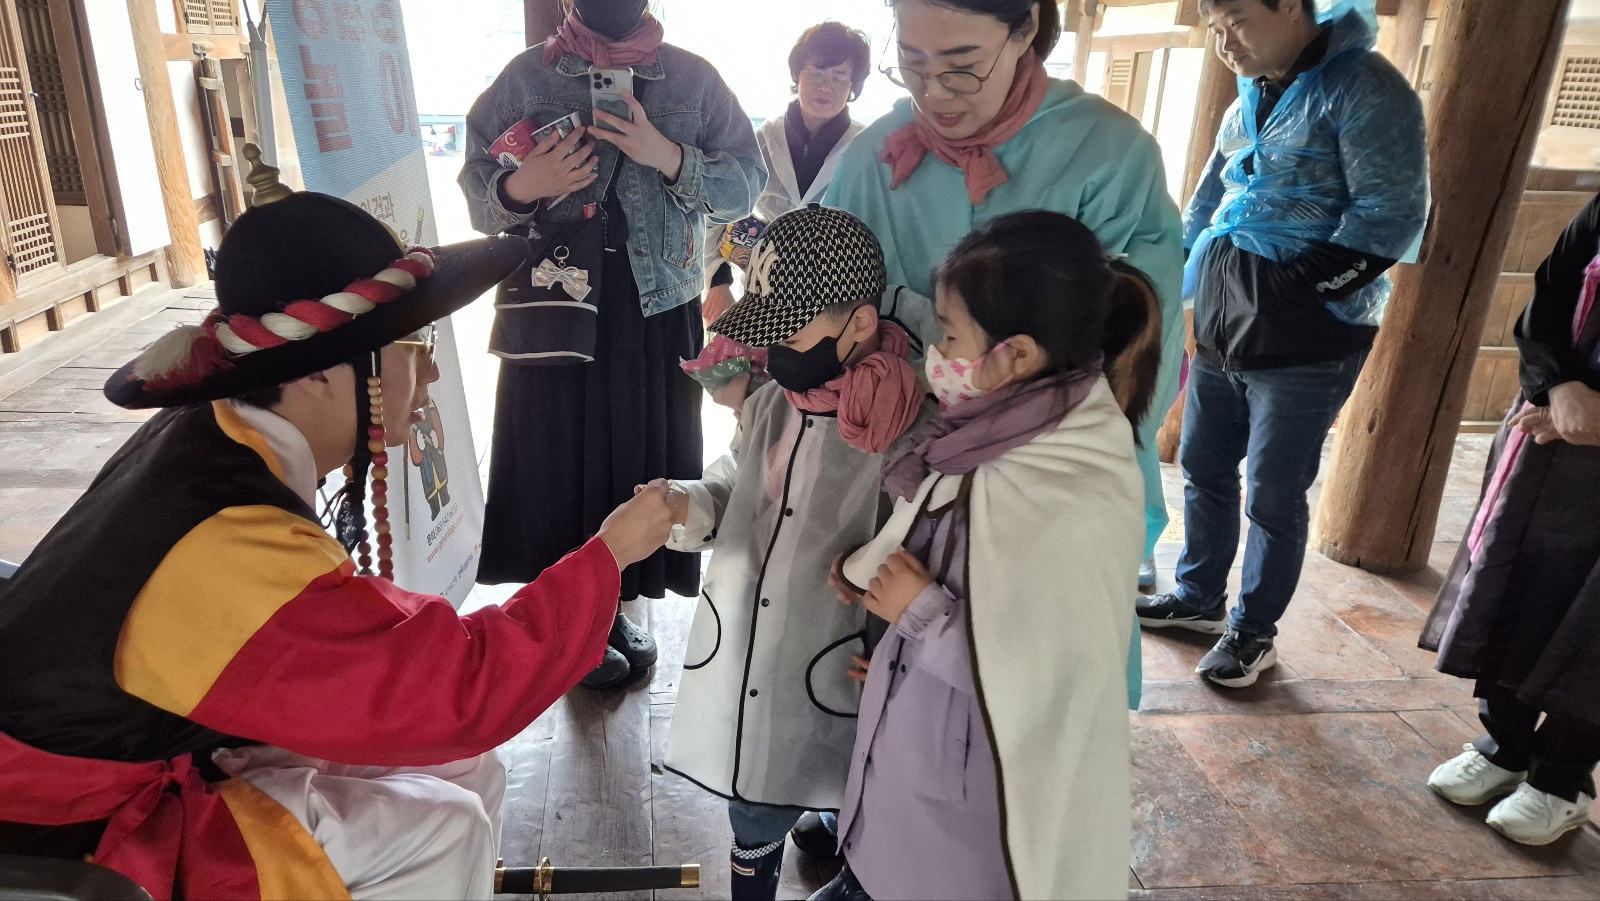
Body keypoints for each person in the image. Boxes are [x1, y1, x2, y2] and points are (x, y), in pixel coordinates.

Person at [0, 174, 678, 899]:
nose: (430, 373)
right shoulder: (224, 541)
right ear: (322, 374)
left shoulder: (218, 430)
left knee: (461, 768)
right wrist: (611, 552)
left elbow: (391, 660)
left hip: (158, 741)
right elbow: (458, 692)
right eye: (411, 345)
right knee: (443, 827)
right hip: (76, 821)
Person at [825, 0, 1185, 703]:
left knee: (1024, 690)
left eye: (962, 66)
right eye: (913, 64)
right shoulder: (875, 154)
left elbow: (1137, 351)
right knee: (897, 677)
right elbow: (831, 311)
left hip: (1040, 484)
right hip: (904, 472)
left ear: (1025, 32)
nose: (935, 92)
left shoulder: (1108, 154)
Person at [811, 212, 1160, 901]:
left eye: (948, 335)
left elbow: (1050, 673)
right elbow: (959, 559)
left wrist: (919, 614)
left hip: (971, 813)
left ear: (1015, 354)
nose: (935, 353)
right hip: (926, 750)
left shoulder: (1070, 486)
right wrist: (891, 620)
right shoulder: (994, 430)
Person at [461, 0, 765, 691]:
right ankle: (569, 625)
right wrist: (522, 186)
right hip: (556, 300)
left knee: (636, 461)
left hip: (657, 306)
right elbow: (476, 193)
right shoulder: (525, 78)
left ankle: (608, 608)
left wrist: (669, 156)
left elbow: (747, 186)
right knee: (556, 462)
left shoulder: (694, 80)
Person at [1136, 0, 1428, 688]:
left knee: (1273, 491)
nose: (1224, 41)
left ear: (1292, 7)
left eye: (1236, 19)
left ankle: (1253, 631)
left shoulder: (1365, 86)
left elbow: (1390, 216)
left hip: (1308, 337)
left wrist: (1294, 288)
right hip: (1225, 320)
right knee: (1204, 466)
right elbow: (1209, 200)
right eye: (1214, 27)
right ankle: (1199, 596)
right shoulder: (1248, 96)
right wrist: (1176, 275)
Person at [659, 206, 933, 901]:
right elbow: (737, 482)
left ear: (860, 323)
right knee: (757, 797)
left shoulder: (908, 425)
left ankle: (849, 857)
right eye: (768, 330)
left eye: (791, 329)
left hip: (859, 653)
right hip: (769, 647)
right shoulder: (774, 404)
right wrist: (686, 504)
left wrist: (908, 642)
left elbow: (927, 543)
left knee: (864, 779)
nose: (774, 349)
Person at [1422, 192, 1600, 847]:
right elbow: (1553, 288)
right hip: (1555, 428)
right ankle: (1505, 745)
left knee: (1592, 621)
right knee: (1522, 583)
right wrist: (1559, 386)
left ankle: (1561, 780)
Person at [702, 21, 871, 325]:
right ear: (796, 74)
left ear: (853, 85)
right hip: (758, 298)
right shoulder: (760, 140)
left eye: (839, 77)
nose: (826, 86)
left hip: (837, 305)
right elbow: (718, 211)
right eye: (816, 73)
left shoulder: (867, 148)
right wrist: (718, 281)